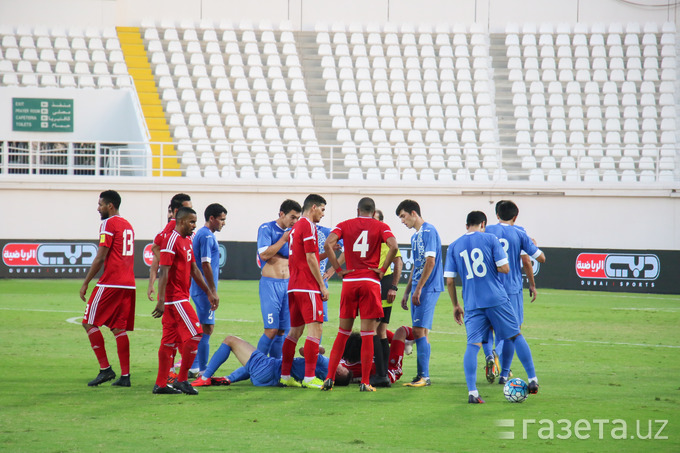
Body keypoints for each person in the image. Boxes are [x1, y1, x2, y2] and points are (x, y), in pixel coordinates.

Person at [444, 211, 540, 404]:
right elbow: (505, 268)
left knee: (473, 345)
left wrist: (455, 304)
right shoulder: (490, 238)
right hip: (496, 298)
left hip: (471, 303)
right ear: (483, 224)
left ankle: (472, 392)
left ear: (466, 226)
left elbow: (449, 281)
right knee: (514, 335)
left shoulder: (454, 246)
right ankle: (532, 379)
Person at [322, 197, 399, 392]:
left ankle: (329, 379)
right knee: (367, 334)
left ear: (357, 210)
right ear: (374, 212)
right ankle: (365, 382)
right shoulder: (381, 226)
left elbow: (327, 244)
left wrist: (339, 270)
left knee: (342, 333)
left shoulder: (345, 225)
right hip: (370, 282)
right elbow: (394, 246)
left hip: (350, 282)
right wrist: (382, 269)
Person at [151, 207, 219, 395]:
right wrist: (162, 299)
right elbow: (163, 271)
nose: (194, 226)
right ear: (180, 222)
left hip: (180, 297)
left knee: (168, 343)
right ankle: (182, 380)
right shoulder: (171, 240)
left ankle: (161, 384)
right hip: (175, 299)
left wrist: (208, 292)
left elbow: (194, 269)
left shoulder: (187, 239)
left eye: (195, 222)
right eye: (191, 222)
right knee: (197, 333)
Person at [79, 190, 135, 387]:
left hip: (111, 282)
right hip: (128, 284)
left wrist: (86, 282)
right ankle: (125, 376)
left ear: (110, 205)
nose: (98, 208)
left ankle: (105, 369)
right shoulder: (127, 224)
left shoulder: (108, 223)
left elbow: (101, 256)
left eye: (100, 204)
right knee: (118, 328)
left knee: (88, 322)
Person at [485, 201, 545, 383]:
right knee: (513, 329)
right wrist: (532, 284)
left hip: (489, 287)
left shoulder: (486, 231)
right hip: (511, 288)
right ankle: (501, 365)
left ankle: (492, 358)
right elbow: (532, 260)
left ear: (496, 215)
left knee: (489, 327)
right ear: (515, 216)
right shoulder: (519, 232)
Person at [280, 194, 328, 389]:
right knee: (315, 328)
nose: (323, 214)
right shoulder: (308, 225)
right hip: (307, 286)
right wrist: (321, 285)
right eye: (322, 210)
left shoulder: (294, 228)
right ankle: (309, 377)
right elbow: (310, 258)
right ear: (314, 207)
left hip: (294, 286)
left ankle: (285, 376)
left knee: (295, 331)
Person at [395, 199, 444, 387]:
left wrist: (418, 288)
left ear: (413, 213)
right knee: (421, 331)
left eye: (403, 216)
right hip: (418, 287)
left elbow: (430, 262)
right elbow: (416, 265)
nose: (402, 221)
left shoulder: (429, 231)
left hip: (428, 287)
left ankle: (424, 376)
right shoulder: (416, 237)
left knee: (418, 330)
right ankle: (421, 375)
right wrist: (407, 291)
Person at [190, 335, 352, 388]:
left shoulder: (326, 364)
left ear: (337, 372)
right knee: (252, 365)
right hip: (266, 381)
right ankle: (229, 378)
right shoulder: (324, 379)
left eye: (341, 369)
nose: (339, 366)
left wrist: (319, 349)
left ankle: (205, 378)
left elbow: (303, 351)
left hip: (269, 368)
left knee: (230, 340)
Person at [255, 199, 301, 358]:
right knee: (271, 329)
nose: (294, 221)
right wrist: (283, 239)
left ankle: (277, 366)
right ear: (282, 214)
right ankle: (256, 365)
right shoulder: (267, 228)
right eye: (292, 217)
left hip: (288, 284)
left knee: (283, 330)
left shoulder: (294, 233)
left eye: (297, 218)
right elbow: (265, 254)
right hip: (271, 285)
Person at [189, 203, 228, 376]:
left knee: (202, 327)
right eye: (221, 219)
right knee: (207, 328)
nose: (223, 223)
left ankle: (195, 365)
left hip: (199, 288)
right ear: (211, 218)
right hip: (203, 289)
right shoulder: (206, 236)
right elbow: (205, 264)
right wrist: (212, 291)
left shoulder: (204, 235)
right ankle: (202, 369)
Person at [371, 209, 404, 387]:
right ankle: (383, 373)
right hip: (377, 282)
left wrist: (393, 286)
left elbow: (398, 261)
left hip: (382, 282)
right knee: (381, 330)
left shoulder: (385, 233)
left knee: (375, 329)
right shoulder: (374, 233)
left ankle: (381, 374)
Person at [148, 193, 192, 301]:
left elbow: (155, 249)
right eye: (187, 209)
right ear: (176, 211)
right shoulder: (175, 231)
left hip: (179, 288)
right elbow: (155, 250)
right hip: (176, 291)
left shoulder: (167, 232)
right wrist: (171, 264)